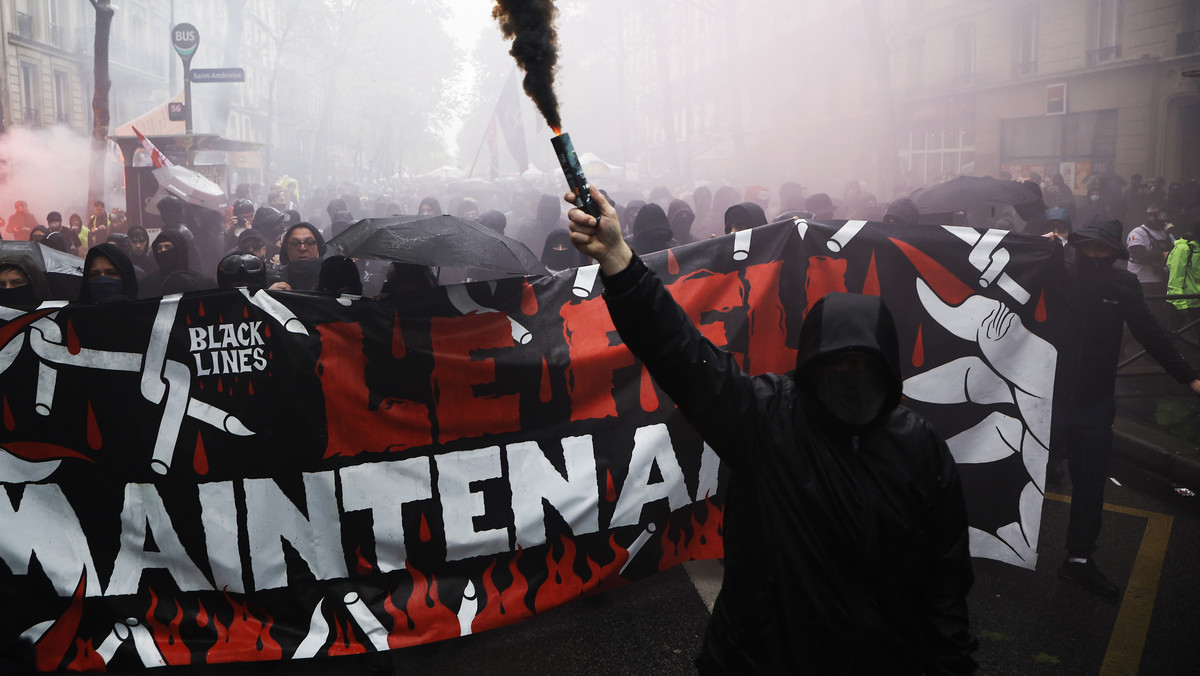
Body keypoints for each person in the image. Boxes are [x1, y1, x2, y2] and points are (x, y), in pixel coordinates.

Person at [564, 186, 977, 673]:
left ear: (888, 370)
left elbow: (944, 580)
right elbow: (679, 353)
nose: (849, 383)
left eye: (863, 369)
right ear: (810, 366)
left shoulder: (918, 448)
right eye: (835, 368)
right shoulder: (768, 419)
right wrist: (619, 260)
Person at [1052, 219, 1200, 596]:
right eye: (1088, 246)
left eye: (1102, 248)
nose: (1094, 254)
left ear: (1113, 250)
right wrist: (1037, 247)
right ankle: (987, 539)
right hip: (1046, 397)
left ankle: (1079, 561)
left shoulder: (1123, 284)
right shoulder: (1057, 271)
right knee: (1018, 470)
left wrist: (1189, 377)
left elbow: (1152, 334)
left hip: (1094, 402)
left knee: (1089, 484)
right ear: (1079, 244)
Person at [139, 230, 213, 298]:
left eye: (168, 247)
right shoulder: (147, 285)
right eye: (159, 248)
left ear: (180, 250)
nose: (163, 251)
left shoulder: (205, 284)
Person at [1166, 212, 1200, 339]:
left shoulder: (1196, 248)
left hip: (1197, 301)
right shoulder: (1183, 249)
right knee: (1173, 338)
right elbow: (1175, 279)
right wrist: (1181, 305)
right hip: (1181, 302)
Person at [269, 222, 326, 291]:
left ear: (319, 247)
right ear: (287, 249)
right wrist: (268, 295)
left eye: (309, 243)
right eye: (295, 243)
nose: (302, 248)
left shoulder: (332, 276)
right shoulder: (273, 278)